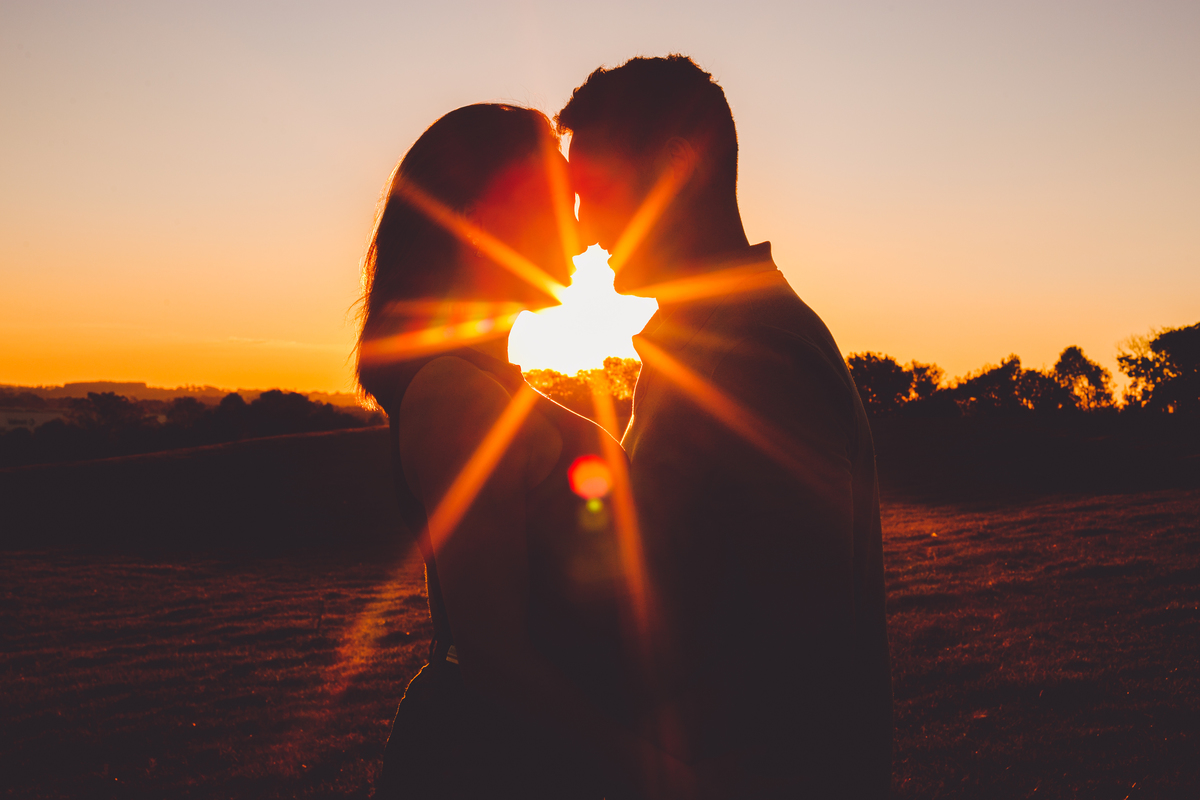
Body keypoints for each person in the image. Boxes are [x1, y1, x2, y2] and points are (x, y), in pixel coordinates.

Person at [557, 56, 893, 798]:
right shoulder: (711, 345)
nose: (583, 231)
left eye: (595, 192)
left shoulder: (754, 356)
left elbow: (794, 652)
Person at [356, 103, 684, 799]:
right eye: (557, 202)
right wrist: (653, 767)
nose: (581, 238)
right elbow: (493, 656)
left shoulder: (493, 384)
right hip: (506, 764)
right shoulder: (456, 396)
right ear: (477, 219)